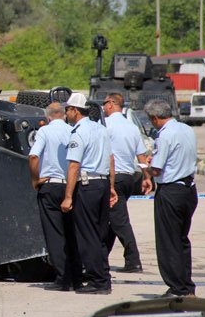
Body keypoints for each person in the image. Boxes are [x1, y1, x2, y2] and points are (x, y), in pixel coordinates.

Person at [61, 92, 118, 295]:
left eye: (67, 109)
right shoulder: (101, 129)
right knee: (100, 234)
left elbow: (74, 166)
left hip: (87, 186)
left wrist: (68, 197)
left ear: (75, 111)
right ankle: (104, 278)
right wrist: (111, 186)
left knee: (88, 235)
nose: (66, 113)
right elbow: (111, 160)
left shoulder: (78, 133)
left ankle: (98, 281)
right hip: (102, 184)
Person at [144, 99, 197, 298]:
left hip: (170, 191)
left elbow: (157, 168)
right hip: (189, 189)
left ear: (155, 118)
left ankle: (176, 287)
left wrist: (147, 168)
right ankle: (186, 285)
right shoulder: (186, 129)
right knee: (182, 240)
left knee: (168, 241)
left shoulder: (164, 135)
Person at [28, 102, 81, 291]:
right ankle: (77, 277)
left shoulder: (44, 132)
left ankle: (62, 279)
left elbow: (33, 156)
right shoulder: (73, 130)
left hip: (50, 186)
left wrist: (35, 180)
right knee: (72, 233)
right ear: (64, 115)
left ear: (48, 117)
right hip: (71, 186)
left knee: (55, 234)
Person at [102, 93, 152, 273]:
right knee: (112, 220)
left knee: (119, 221)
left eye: (104, 103)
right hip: (129, 178)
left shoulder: (106, 125)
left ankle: (134, 261)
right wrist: (146, 177)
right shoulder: (132, 128)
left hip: (113, 179)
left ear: (110, 104)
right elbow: (141, 157)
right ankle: (101, 259)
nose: (102, 107)